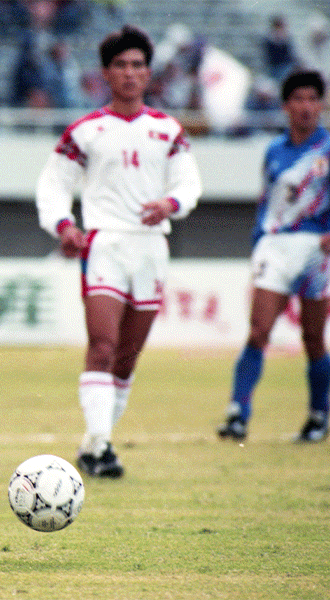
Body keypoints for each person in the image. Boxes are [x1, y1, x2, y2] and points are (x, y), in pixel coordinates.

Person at [35, 25, 202, 478]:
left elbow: (189, 183)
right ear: (106, 73)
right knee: (103, 349)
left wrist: (170, 203)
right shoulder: (85, 131)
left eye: (138, 65)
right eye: (121, 65)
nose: (130, 73)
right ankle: (105, 446)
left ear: (149, 73)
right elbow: (53, 186)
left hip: (151, 248)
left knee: (127, 359)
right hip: (104, 243)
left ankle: (93, 445)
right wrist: (65, 225)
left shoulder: (167, 130)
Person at [217, 71, 330, 444]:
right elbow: (267, 202)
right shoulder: (274, 151)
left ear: (321, 104)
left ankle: (317, 415)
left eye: (313, 99)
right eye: (298, 99)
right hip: (276, 246)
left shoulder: (327, 149)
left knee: (313, 337)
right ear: (285, 106)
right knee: (259, 330)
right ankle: (238, 413)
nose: (306, 106)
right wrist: (257, 243)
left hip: (318, 249)